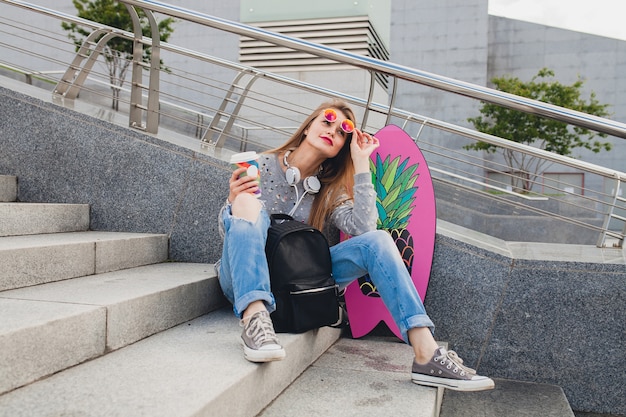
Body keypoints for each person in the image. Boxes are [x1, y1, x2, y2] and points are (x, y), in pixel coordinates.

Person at [217, 99, 494, 391]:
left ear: (341, 148)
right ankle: (255, 318)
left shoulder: (328, 190)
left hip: (292, 281)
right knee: (247, 201)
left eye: (341, 132)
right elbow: (228, 238)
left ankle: (427, 353)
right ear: (308, 125)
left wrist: (361, 162)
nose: (332, 131)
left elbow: (364, 228)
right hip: (241, 277)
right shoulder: (258, 165)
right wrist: (232, 203)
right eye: (327, 121)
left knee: (377, 241)